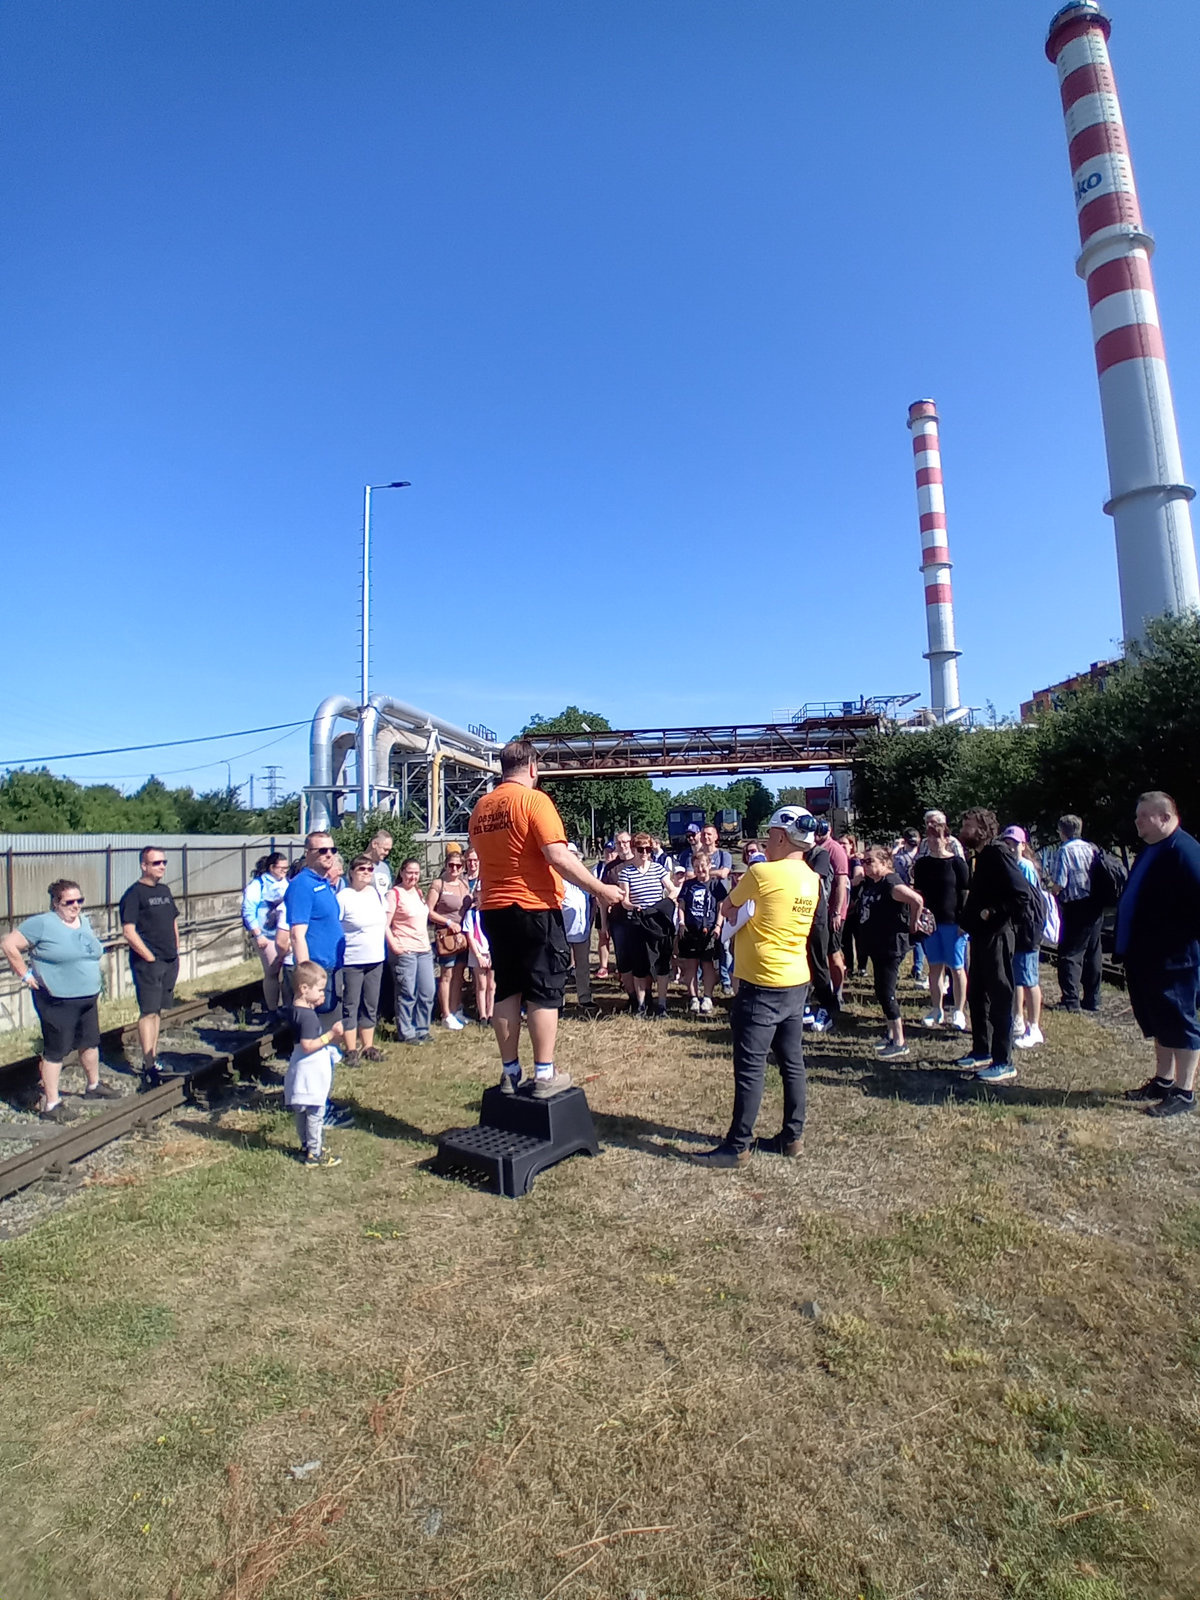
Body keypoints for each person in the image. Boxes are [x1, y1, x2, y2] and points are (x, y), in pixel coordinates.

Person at [468, 739, 622, 1096]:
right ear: (533, 768)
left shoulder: (481, 808)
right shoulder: (534, 801)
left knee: (507, 988)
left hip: (494, 908)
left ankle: (510, 1072)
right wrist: (600, 889)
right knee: (543, 990)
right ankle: (544, 1074)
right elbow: (558, 855)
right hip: (534, 907)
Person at [692, 808, 821, 1168]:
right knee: (792, 1062)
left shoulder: (762, 872)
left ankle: (737, 1146)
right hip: (795, 978)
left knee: (750, 1067)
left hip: (761, 981)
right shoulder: (812, 877)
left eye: (770, 835)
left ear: (781, 836)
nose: (766, 842)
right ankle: (792, 1136)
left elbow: (727, 906)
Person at [1, 879, 120, 1121]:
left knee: (90, 1041)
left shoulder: (83, 921)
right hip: (57, 999)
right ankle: (52, 1104)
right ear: (56, 903)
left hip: (87, 996)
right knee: (56, 1051)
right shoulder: (42, 924)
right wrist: (25, 974)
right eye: (69, 902)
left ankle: (93, 1085)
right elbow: (9, 944)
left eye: (79, 900)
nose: (76, 906)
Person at [1116, 791, 1200, 1117]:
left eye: (1143, 816)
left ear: (1165, 817)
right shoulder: (1154, 848)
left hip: (1174, 959)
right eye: (1137, 815)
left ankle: (1185, 1091)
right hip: (1146, 957)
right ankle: (1164, 1080)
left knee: (1180, 1023)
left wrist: (1176, 939)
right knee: (1158, 1022)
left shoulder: (1185, 851)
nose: (1137, 822)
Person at [955, 809, 1040, 1084]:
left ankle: (1003, 1061)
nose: (963, 829)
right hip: (980, 936)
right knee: (977, 994)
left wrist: (991, 912)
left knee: (1000, 996)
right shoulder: (979, 856)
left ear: (982, 828)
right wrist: (968, 920)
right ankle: (982, 1050)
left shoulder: (997, 853)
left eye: (968, 825)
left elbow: (1022, 895)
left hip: (998, 935)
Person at [856, 845, 925, 1058]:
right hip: (877, 944)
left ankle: (900, 1041)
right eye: (863, 861)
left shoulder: (891, 882)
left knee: (887, 993)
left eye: (869, 861)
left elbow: (916, 900)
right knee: (880, 990)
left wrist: (913, 924)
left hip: (891, 945)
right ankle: (890, 1034)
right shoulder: (873, 882)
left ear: (884, 862)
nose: (865, 865)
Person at [120, 846, 180, 1082]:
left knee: (158, 1011)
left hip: (169, 959)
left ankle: (154, 1058)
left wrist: (176, 949)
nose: (162, 866)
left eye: (164, 862)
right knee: (148, 1011)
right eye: (156, 863)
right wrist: (149, 956)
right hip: (149, 964)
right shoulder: (134, 894)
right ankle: (148, 1064)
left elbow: (173, 921)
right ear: (144, 865)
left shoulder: (165, 890)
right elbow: (129, 930)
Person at [284, 961, 344, 1168]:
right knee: (315, 1113)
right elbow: (308, 1045)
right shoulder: (309, 1018)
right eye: (319, 990)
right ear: (304, 988)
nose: (322, 994)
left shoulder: (295, 1009)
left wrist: (313, 1001)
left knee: (301, 1111)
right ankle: (315, 1153)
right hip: (311, 1071)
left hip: (298, 1067)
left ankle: (305, 1145)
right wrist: (331, 1035)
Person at [912, 818, 969, 1029]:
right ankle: (937, 1009)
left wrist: (964, 921)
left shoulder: (957, 863)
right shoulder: (922, 865)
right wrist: (917, 919)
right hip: (930, 923)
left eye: (938, 837)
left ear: (947, 839)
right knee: (935, 967)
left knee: (956, 967)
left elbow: (965, 893)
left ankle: (959, 1011)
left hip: (953, 922)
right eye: (930, 837)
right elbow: (918, 893)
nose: (934, 841)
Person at [616, 833, 681, 1017]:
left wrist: (663, 904)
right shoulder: (626, 872)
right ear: (634, 849)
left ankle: (662, 1005)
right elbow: (624, 900)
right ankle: (641, 1005)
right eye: (641, 849)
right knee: (639, 966)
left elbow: (673, 890)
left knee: (662, 965)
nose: (644, 853)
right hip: (637, 923)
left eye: (648, 849)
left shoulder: (658, 869)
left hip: (658, 923)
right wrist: (634, 907)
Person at [283, 833, 346, 1018]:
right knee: (318, 1024)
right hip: (317, 969)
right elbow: (297, 935)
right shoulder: (301, 885)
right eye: (322, 850)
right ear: (308, 853)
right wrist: (308, 975)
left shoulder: (324, 883)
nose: (329, 854)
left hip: (333, 965)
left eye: (332, 850)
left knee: (333, 1022)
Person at [1049, 813, 1104, 1013]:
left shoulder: (1064, 851)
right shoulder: (1092, 848)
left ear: (1062, 831)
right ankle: (1093, 999)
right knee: (1093, 952)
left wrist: (1050, 892)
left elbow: (1059, 883)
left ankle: (1070, 1000)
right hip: (1095, 905)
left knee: (1070, 953)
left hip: (1075, 906)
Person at [336, 856, 388, 1063]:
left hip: (375, 958)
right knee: (351, 1003)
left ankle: (368, 1045)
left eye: (369, 869)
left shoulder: (375, 894)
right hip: (352, 960)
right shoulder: (343, 897)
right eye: (362, 869)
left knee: (370, 1003)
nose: (366, 872)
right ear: (352, 872)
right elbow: (336, 927)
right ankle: (350, 1049)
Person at [1005, 829, 1047, 1052]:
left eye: (1015, 843)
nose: (1011, 847)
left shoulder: (1025, 867)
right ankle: (1018, 1018)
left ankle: (1034, 1027)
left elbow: (1029, 901)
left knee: (1029, 979)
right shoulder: (1009, 866)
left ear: (1023, 845)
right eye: (1007, 843)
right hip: (1014, 929)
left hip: (1027, 929)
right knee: (1016, 977)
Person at [386, 858, 435, 1044]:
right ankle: (406, 1032)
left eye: (416, 873)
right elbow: (385, 924)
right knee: (407, 992)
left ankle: (422, 1029)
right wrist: (394, 945)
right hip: (405, 949)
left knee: (427, 991)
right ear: (402, 873)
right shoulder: (394, 894)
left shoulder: (418, 892)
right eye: (409, 872)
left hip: (424, 949)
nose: (413, 876)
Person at [677, 850, 727, 1015]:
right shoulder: (688, 885)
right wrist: (682, 923)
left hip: (709, 930)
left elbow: (721, 907)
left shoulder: (716, 885)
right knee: (691, 965)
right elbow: (682, 905)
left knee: (707, 964)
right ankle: (693, 997)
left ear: (710, 865)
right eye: (696, 867)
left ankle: (707, 997)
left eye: (703, 866)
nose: (700, 870)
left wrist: (718, 926)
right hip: (691, 929)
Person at [427, 850, 471, 1029]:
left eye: (458, 866)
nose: (454, 869)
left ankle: (454, 1010)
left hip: (462, 936)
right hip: (446, 935)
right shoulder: (439, 884)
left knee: (459, 974)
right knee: (447, 974)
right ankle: (445, 1013)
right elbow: (429, 911)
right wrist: (448, 922)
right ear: (446, 865)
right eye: (451, 865)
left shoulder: (464, 885)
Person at [241, 852, 289, 1017]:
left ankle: (286, 1006)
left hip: (284, 932)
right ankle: (273, 1009)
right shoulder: (257, 885)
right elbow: (248, 911)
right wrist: (258, 934)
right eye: (281, 868)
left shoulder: (286, 883)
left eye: (286, 868)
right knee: (272, 971)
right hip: (266, 935)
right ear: (271, 867)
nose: (284, 871)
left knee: (287, 970)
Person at [814, 821, 851, 998]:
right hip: (818, 910)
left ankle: (838, 992)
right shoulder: (814, 848)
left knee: (833, 952)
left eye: (822, 829)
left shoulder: (835, 849)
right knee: (819, 953)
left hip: (833, 912)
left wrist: (837, 912)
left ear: (829, 830)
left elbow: (841, 882)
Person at [559, 844, 594, 1009]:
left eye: (574, 855)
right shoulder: (558, 879)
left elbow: (592, 902)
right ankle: (558, 1001)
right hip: (562, 932)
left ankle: (584, 997)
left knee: (583, 966)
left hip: (582, 930)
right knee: (560, 968)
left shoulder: (585, 879)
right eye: (569, 855)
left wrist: (590, 922)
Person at [462, 884, 496, 1024]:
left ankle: (491, 1013)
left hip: (492, 952)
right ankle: (482, 1015)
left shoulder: (493, 911)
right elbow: (470, 936)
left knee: (492, 985)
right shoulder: (471, 914)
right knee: (481, 985)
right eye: (478, 892)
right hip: (478, 952)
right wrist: (478, 956)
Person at [593, 841, 617, 977]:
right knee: (603, 936)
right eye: (607, 851)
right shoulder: (598, 868)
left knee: (619, 938)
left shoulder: (619, 867)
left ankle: (621, 966)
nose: (609, 854)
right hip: (601, 906)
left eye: (612, 851)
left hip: (616, 908)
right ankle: (603, 966)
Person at [367, 830, 394, 896]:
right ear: (374, 844)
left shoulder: (385, 867)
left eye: (389, 850)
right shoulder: (358, 865)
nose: (387, 853)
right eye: (385, 849)